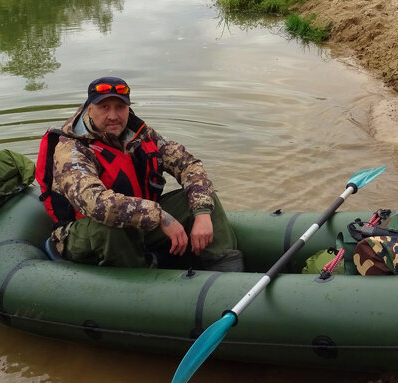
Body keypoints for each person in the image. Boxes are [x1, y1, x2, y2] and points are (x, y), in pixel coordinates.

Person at [39, 76, 244, 271]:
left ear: (128, 108)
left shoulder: (141, 135)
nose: (113, 116)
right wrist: (159, 216)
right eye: (104, 108)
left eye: (120, 107)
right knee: (111, 228)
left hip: (139, 225)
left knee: (202, 198)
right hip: (84, 234)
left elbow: (189, 165)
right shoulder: (71, 150)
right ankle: (144, 283)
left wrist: (202, 213)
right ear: (89, 110)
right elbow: (96, 204)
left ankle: (227, 276)